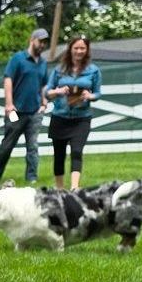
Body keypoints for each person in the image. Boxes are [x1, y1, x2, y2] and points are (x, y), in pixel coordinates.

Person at [0, 27, 48, 184]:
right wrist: (9, 104)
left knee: (33, 147)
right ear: (32, 40)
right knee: (8, 144)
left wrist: (44, 101)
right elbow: (8, 79)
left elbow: (43, 84)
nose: (42, 45)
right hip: (16, 111)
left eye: (45, 42)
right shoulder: (18, 59)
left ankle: (32, 178)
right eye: (40, 41)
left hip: (34, 112)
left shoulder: (43, 63)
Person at [45, 36, 100, 190]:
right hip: (60, 117)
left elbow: (98, 93)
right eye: (76, 48)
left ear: (87, 50)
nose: (79, 51)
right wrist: (58, 91)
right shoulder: (59, 70)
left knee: (76, 151)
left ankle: (75, 188)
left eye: (82, 48)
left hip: (81, 119)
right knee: (59, 155)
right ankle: (60, 189)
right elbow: (47, 92)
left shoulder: (93, 70)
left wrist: (90, 96)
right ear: (70, 49)